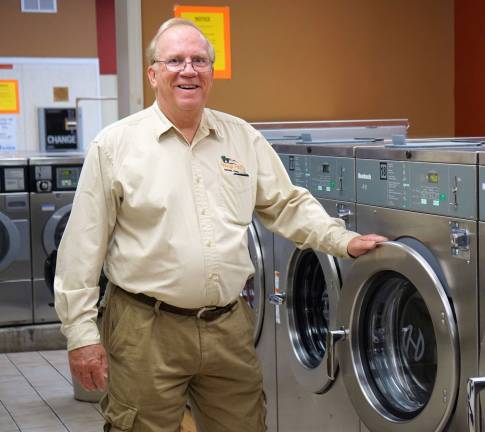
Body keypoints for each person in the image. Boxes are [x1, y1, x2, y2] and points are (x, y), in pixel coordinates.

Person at [54, 17, 387, 432]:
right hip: (145, 328)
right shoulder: (115, 145)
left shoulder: (242, 138)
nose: (188, 70)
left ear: (211, 72)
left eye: (199, 60)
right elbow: (82, 247)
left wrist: (343, 240)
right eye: (175, 60)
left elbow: (286, 204)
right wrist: (81, 334)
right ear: (153, 74)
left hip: (227, 325)